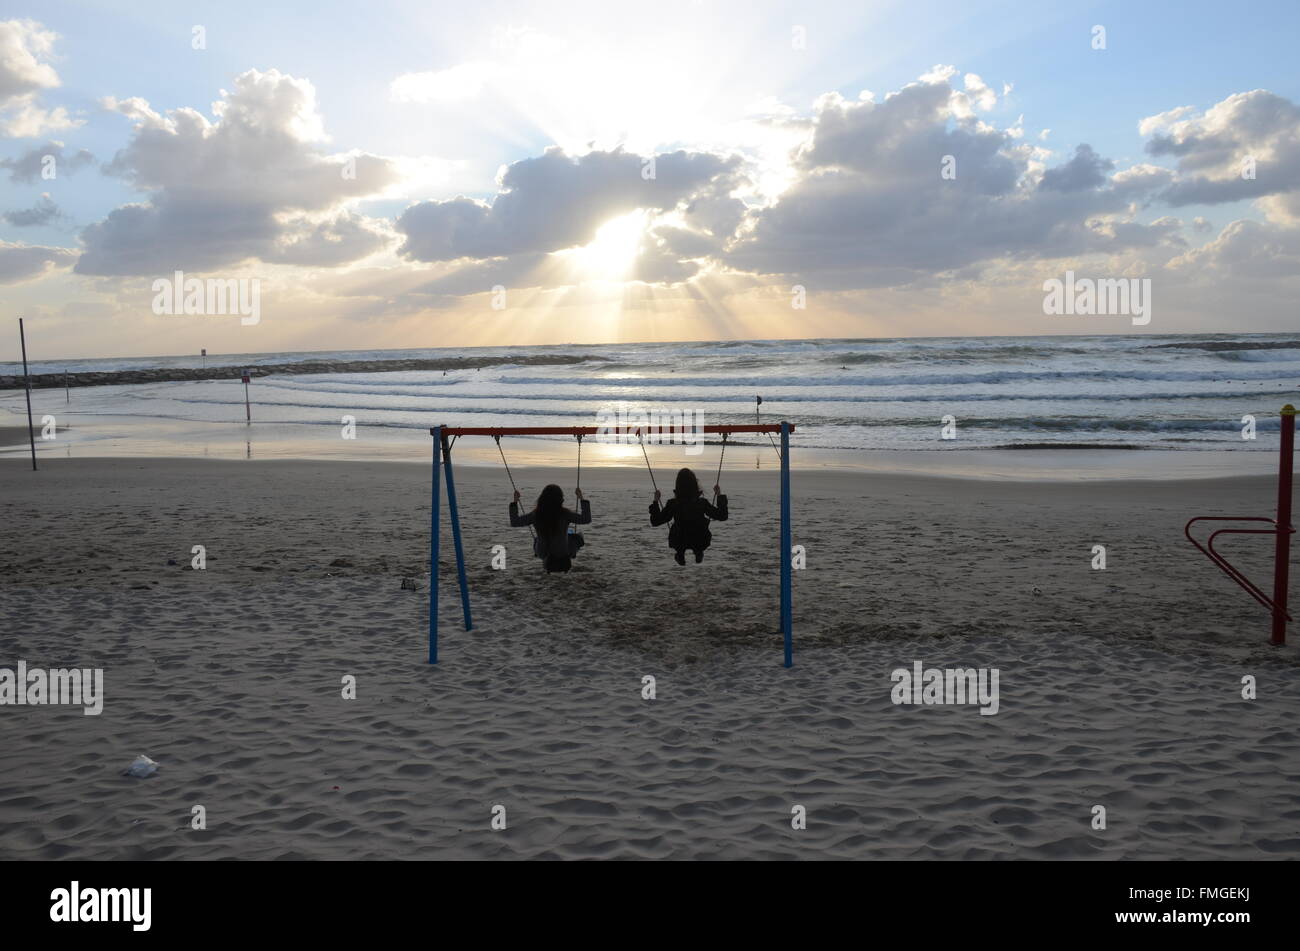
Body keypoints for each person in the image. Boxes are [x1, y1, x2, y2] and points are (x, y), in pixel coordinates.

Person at [649, 468, 727, 565]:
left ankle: (680, 553)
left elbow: (656, 521)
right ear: (695, 484)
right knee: (698, 531)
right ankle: (698, 551)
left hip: (679, 540)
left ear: (678, 485)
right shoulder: (702, 503)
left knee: (679, 531)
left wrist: (656, 500)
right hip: (700, 539)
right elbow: (722, 515)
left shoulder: (673, 503)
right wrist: (719, 494)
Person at [510, 484, 590, 573]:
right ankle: (573, 554)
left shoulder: (536, 514)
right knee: (578, 536)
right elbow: (586, 519)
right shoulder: (565, 513)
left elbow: (515, 522)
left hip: (543, 553)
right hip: (563, 553)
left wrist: (515, 501)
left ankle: (544, 551)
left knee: (537, 539)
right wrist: (581, 498)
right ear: (560, 499)